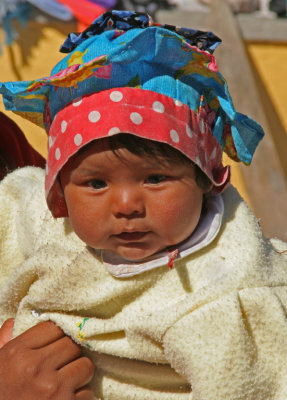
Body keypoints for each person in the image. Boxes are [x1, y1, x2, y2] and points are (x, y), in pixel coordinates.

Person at [0, 10, 286, 400]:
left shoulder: (221, 296)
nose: (126, 204)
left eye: (155, 179)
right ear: (59, 191)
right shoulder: (47, 218)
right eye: (96, 183)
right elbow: (16, 207)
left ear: (206, 179)